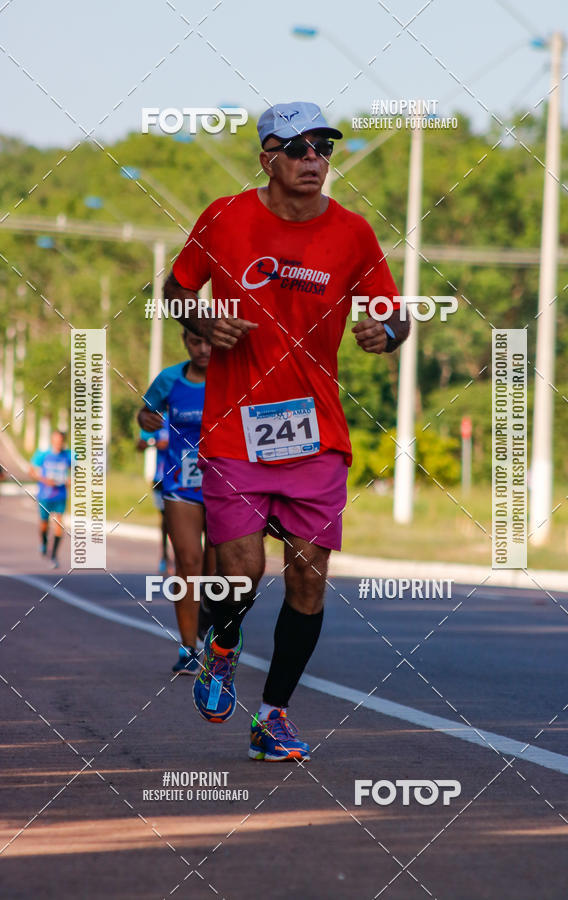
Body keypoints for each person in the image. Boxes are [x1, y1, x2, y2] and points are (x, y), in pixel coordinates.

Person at [164, 101, 410, 760]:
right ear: (267, 159)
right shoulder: (225, 217)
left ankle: (273, 715)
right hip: (234, 429)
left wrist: (386, 332)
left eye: (322, 148)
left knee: (307, 576)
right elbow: (175, 289)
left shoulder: (352, 233)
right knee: (240, 573)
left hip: (316, 432)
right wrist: (202, 320)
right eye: (297, 148)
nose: (313, 160)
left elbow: (396, 315)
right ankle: (221, 646)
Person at [138, 329, 215, 675]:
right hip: (181, 483)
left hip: (226, 483)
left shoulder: (234, 375)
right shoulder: (169, 379)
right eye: (196, 342)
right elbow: (145, 415)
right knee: (188, 563)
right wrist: (146, 419)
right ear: (185, 341)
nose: (203, 349)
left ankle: (208, 622)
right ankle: (188, 649)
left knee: (218, 569)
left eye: (209, 342)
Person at [30, 430, 71, 569]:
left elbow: (80, 469)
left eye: (61, 440)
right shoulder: (43, 455)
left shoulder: (68, 455)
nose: (58, 443)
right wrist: (44, 480)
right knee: (44, 523)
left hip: (60, 495)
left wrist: (71, 480)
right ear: (52, 441)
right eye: (56, 440)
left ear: (63, 441)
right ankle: (44, 542)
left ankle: (54, 555)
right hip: (45, 495)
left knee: (59, 524)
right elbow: (31, 471)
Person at [137, 418, 171, 574]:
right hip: (160, 478)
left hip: (183, 478)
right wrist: (154, 443)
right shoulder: (157, 419)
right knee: (165, 519)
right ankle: (164, 556)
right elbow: (140, 444)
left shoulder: (188, 413)